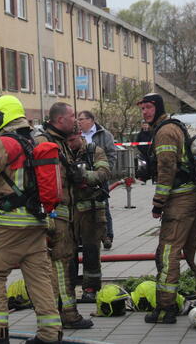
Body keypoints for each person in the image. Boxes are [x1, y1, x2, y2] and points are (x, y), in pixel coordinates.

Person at [0, 95, 61, 344]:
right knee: (40, 278)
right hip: (37, 222)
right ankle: (51, 334)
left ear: (2, 116)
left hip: (10, 224)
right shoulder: (35, 141)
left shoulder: (4, 143)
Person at [137, 93, 196, 324]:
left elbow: (167, 168)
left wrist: (158, 203)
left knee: (167, 255)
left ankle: (165, 308)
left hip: (178, 202)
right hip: (190, 198)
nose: (145, 112)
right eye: (142, 108)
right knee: (194, 253)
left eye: (149, 107)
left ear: (158, 107)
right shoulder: (172, 126)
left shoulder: (165, 131)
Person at [37, 103, 93, 329]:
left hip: (64, 214)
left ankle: (64, 314)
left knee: (64, 263)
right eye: (72, 116)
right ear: (60, 120)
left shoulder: (59, 141)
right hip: (54, 216)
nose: (76, 120)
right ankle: (67, 315)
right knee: (60, 266)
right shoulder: (46, 143)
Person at [66, 129, 111, 302]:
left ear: (79, 135)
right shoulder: (63, 152)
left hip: (92, 210)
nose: (70, 143)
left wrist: (84, 176)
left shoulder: (94, 151)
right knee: (67, 252)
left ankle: (90, 288)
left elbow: (104, 173)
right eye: (67, 140)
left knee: (91, 251)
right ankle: (68, 288)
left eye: (72, 139)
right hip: (69, 211)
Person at [77, 110, 116, 249]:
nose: (79, 122)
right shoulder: (77, 135)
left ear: (91, 120)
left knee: (103, 205)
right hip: (83, 177)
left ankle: (107, 235)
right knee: (85, 207)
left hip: (100, 175)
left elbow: (111, 154)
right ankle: (83, 236)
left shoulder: (104, 134)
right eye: (78, 119)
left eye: (81, 119)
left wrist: (106, 171)